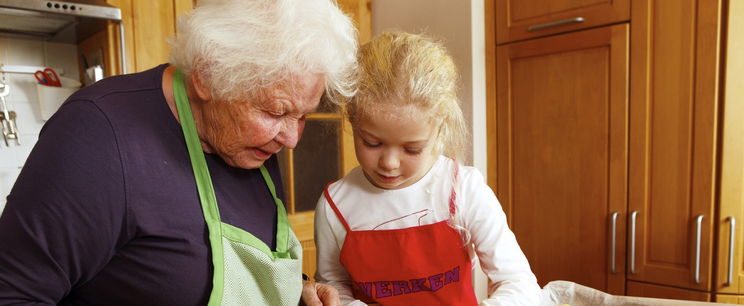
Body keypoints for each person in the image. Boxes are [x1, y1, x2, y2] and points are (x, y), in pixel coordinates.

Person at [0, 0, 356, 305]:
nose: (292, 138)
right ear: (206, 75)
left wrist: (297, 292)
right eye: (276, 112)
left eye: (303, 115)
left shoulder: (251, 145)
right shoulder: (98, 136)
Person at [313, 32, 542, 305]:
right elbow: (333, 287)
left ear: (439, 132)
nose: (389, 163)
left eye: (412, 149)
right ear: (352, 121)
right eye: (372, 143)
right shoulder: (335, 205)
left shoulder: (463, 189)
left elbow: (518, 281)